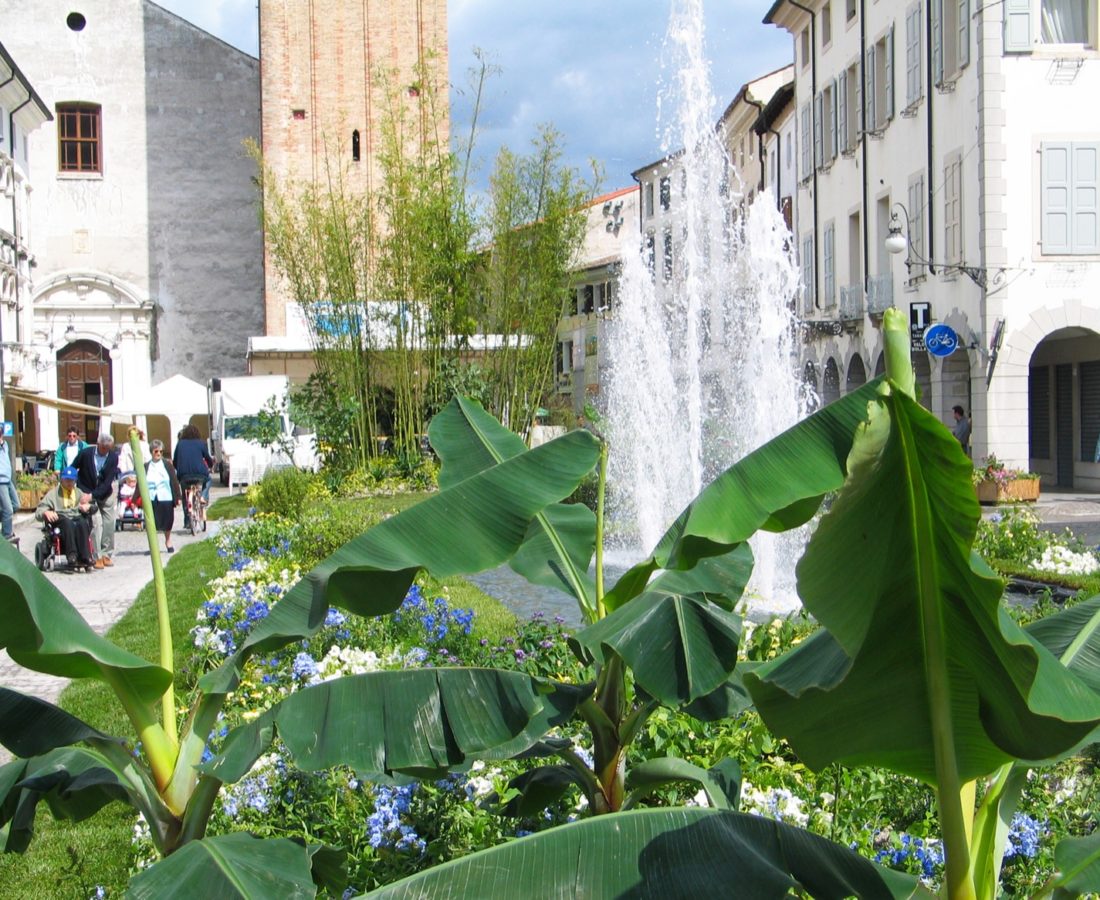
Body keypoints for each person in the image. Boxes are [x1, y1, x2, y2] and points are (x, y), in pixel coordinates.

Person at [74, 433, 120, 568]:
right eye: (103, 447)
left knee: (109, 521)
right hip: (86, 490)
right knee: (93, 522)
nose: (105, 450)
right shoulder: (86, 453)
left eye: (108, 448)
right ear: (98, 444)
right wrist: (76, 488)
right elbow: (73, 466)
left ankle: (106, 553)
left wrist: (93, 495)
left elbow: (107, 482)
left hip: (104, 493)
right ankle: (96, 556)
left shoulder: (113, 457)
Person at [35, 465, 95, 567]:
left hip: (76, 517)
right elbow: (39, 511)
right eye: (66, 480)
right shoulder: (53, 494)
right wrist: (46, 512)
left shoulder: (79, 493)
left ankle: (86, 556)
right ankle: (72, 555)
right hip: (61, 519)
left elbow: (92, 506)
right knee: (67, 522)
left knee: (82, 522)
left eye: (71, 480)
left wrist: (88, 507)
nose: (69, 483)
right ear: (61, 479)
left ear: (75, 481)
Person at [172, 423, 213, 526]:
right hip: (200, 474)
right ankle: (203, 496)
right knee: (208, 480)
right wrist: (211, 465)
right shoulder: (201, 443)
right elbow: (208, 458)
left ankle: (187, 521)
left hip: (184, 475)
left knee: (185, 496)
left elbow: (175, 461)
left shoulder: (180, 444)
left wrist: (180, 469)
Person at [145, 440, 181, 553]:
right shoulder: (146, 466)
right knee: (151, 522)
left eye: (161, 451)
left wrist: (178, 497)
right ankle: (153, 545)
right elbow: (140, 483)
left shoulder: (167, 465)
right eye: (156, 451)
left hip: (165, 495)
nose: (159, 453)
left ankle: (168, 540)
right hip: (151, 496)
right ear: (151, 452)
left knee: (168, 520)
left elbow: (174, 481)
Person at [0, 432, 14, 542]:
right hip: (1, 481)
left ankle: (5, 525)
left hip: (8, 480)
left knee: (16, 505)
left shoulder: (5, 445)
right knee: (8, 510)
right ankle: (6, 535)